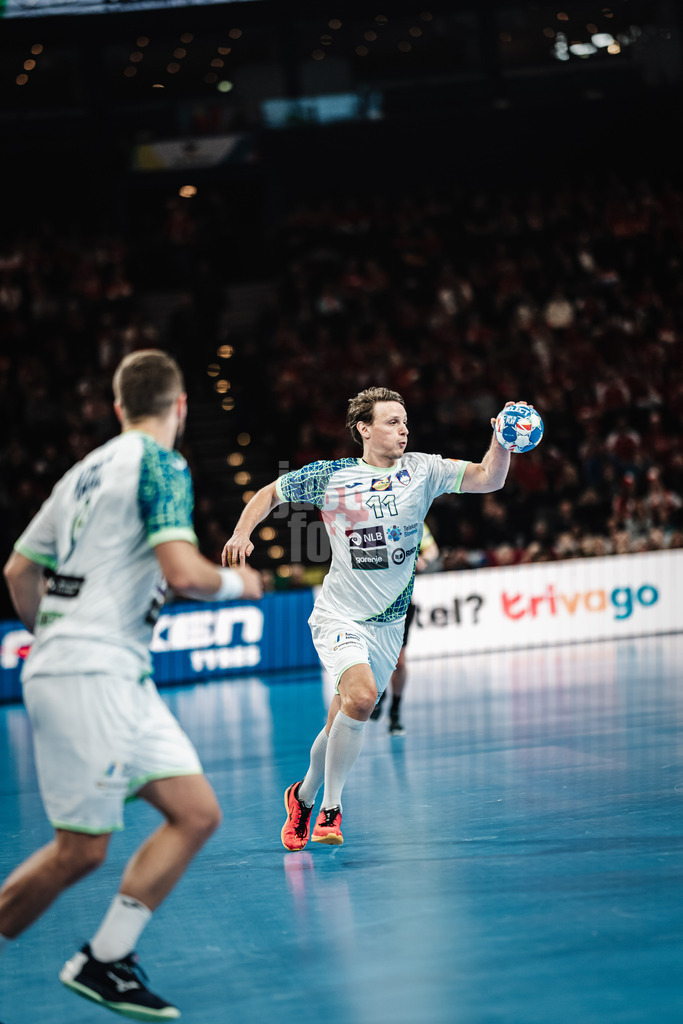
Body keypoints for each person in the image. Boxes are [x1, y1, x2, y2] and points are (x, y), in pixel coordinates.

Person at [0, 350, 262, 1020]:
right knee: (81, 851)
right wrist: (241, 583)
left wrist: (54, 631)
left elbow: (18, 574)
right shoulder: (161, 464)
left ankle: (105, 960)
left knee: (196, 812)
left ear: (119, 407)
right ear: (180, 406)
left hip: (115, 671)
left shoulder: (80, 473)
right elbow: (184, 573)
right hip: (92, 672)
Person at [223, 386, 523, 851]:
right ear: (364, 429)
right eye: (392, 421)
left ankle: (302, 797)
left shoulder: (423, 470)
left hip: (388, 625)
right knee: (361, 698)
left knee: (341, 719)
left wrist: (501, 442)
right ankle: (331, 810)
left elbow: (489, 478)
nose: (403, 430)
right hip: (339, 615)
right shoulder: (331, 476)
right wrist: (243, 532)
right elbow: (270, 493)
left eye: (405, 421)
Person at [369, 521, 439, 734]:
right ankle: (380, 694)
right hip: (373, 603)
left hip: (402, 603)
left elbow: (432, 550)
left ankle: (395, 711)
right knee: (377, 657)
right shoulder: (369, 522)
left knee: (399, 662)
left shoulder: (412, 520)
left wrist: (422, 559)